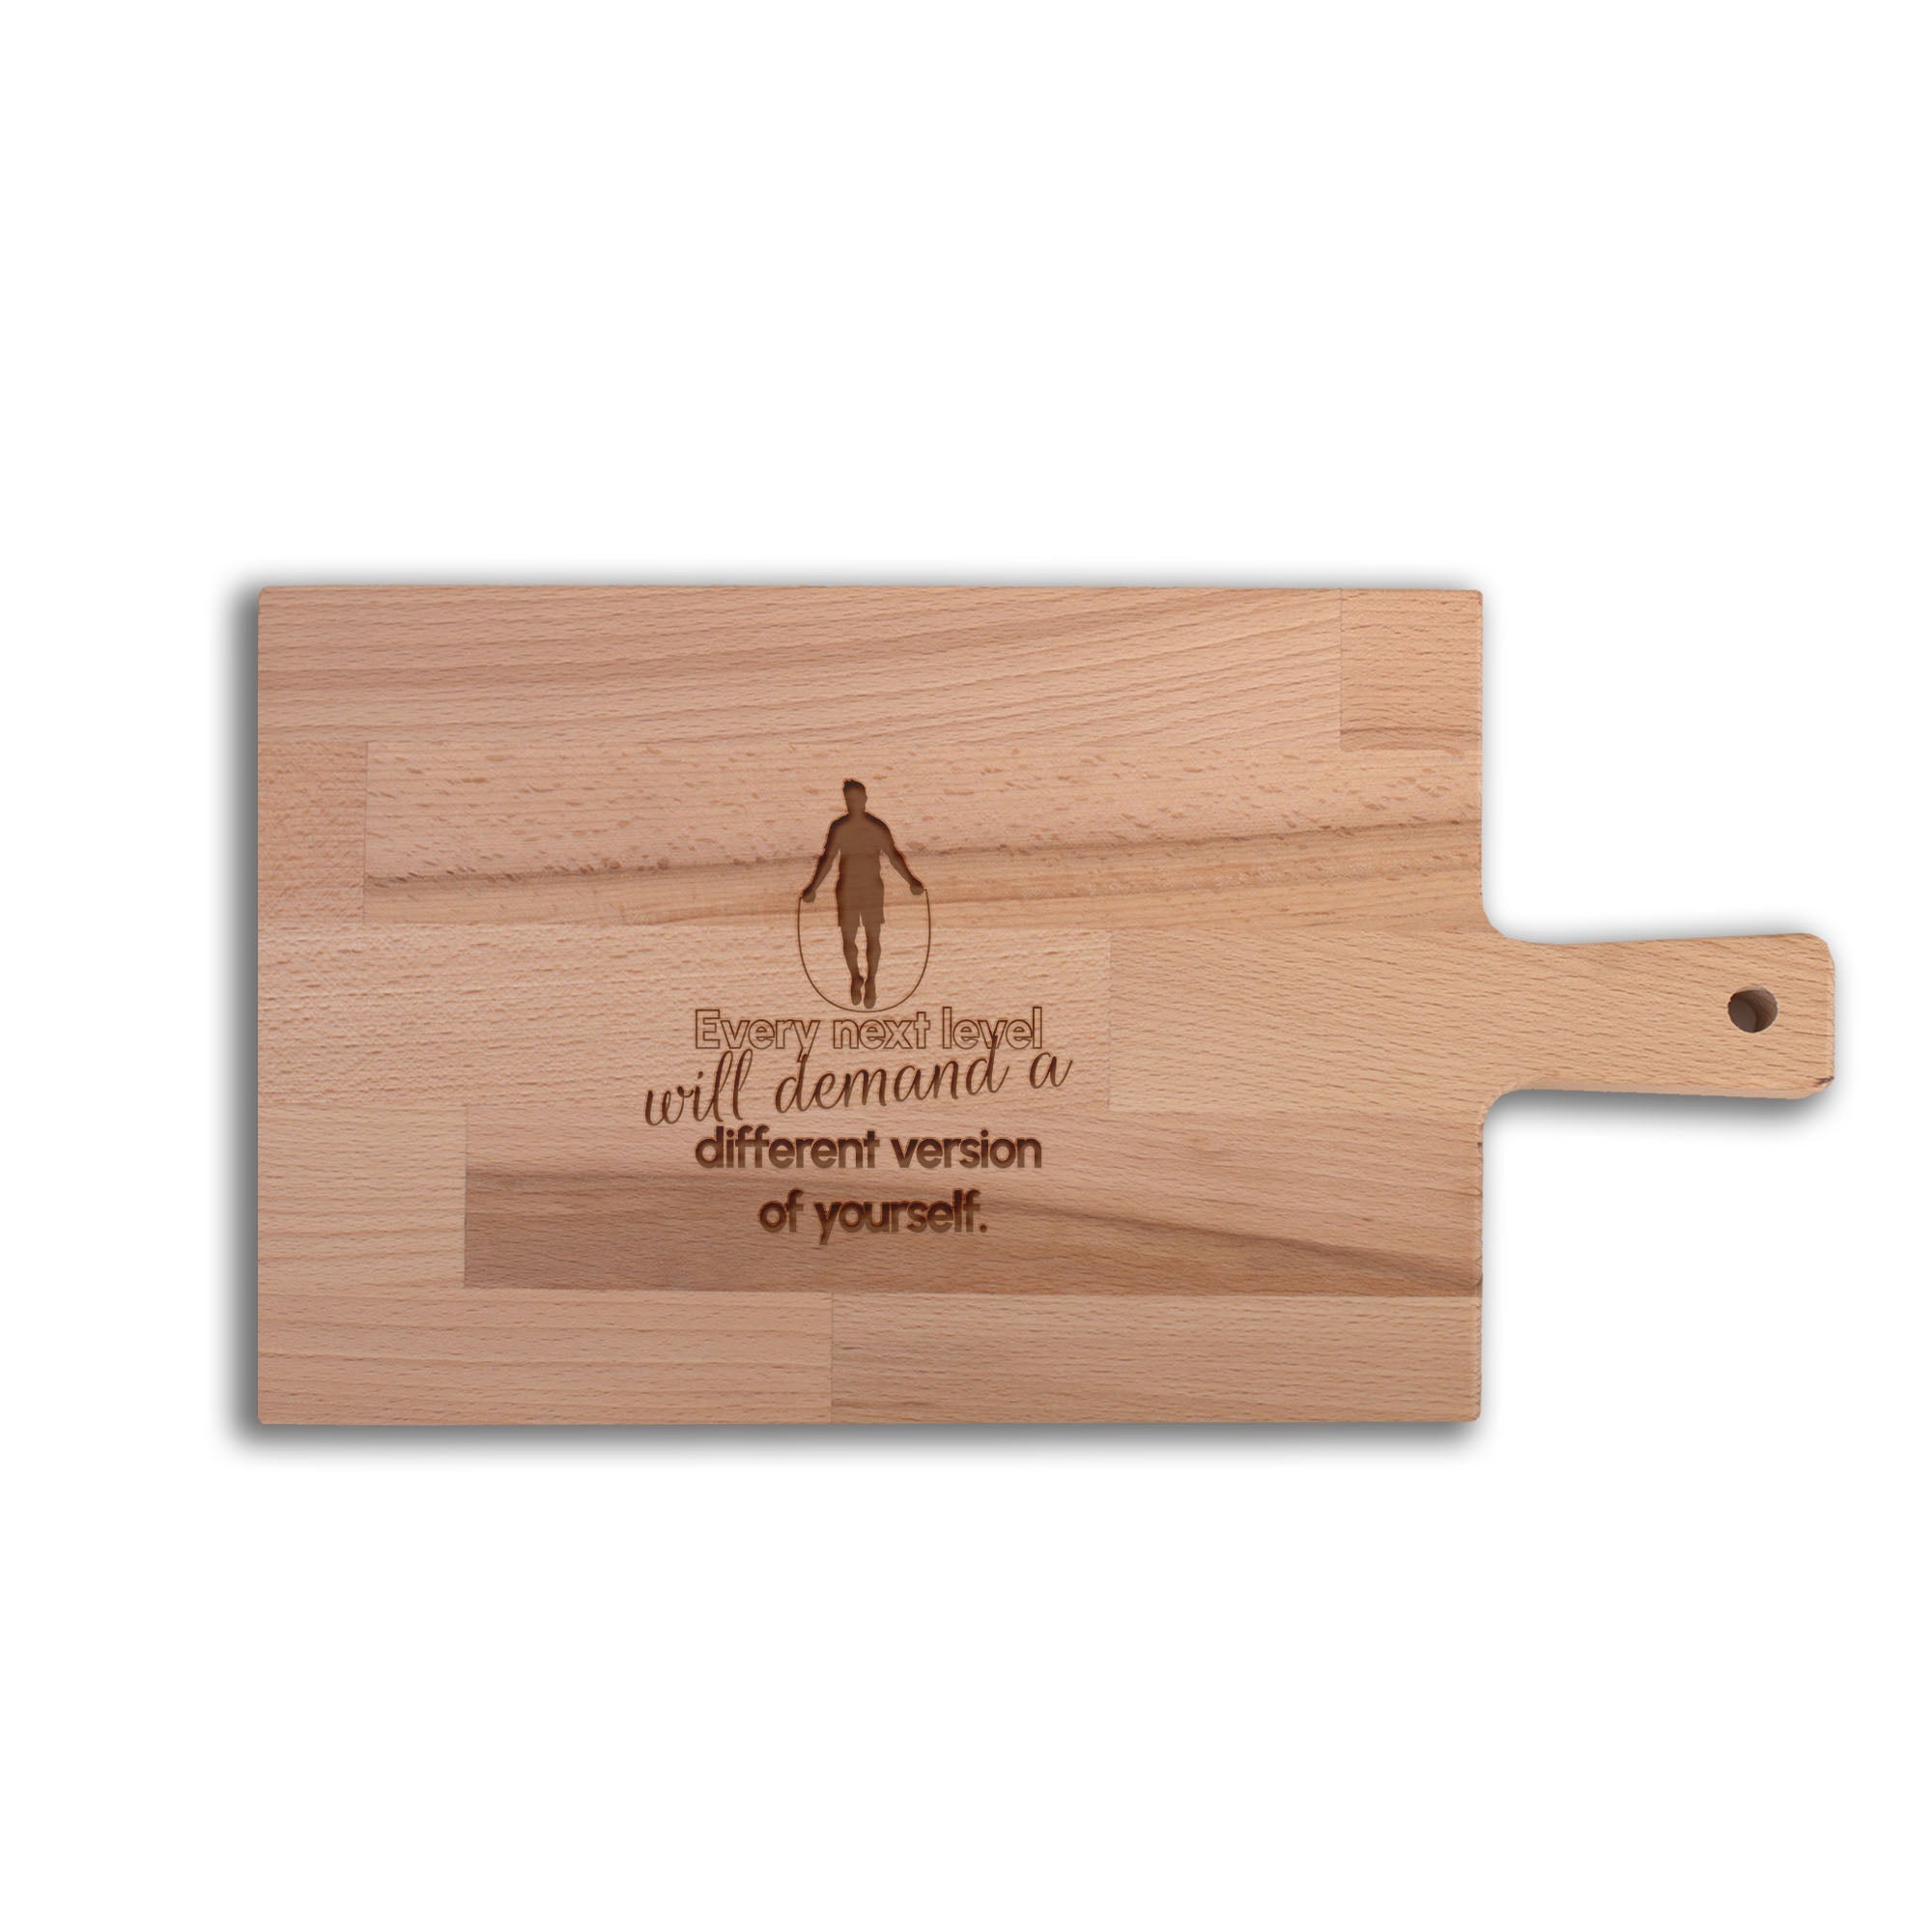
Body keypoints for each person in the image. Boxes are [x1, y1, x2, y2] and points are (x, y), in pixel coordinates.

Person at [801, 781, 923, 1008]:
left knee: (872, 936)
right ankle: (855, 977)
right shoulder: (839, 828)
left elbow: (894, 856)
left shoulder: (877, 828)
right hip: (847, 888)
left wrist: (911, 880)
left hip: (871, 889)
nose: (853, 803)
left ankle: (872, 980)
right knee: (848, 937)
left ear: (865, 799)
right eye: (849, 800)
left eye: (856, 799)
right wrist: (813, 887)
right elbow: (827, 860)